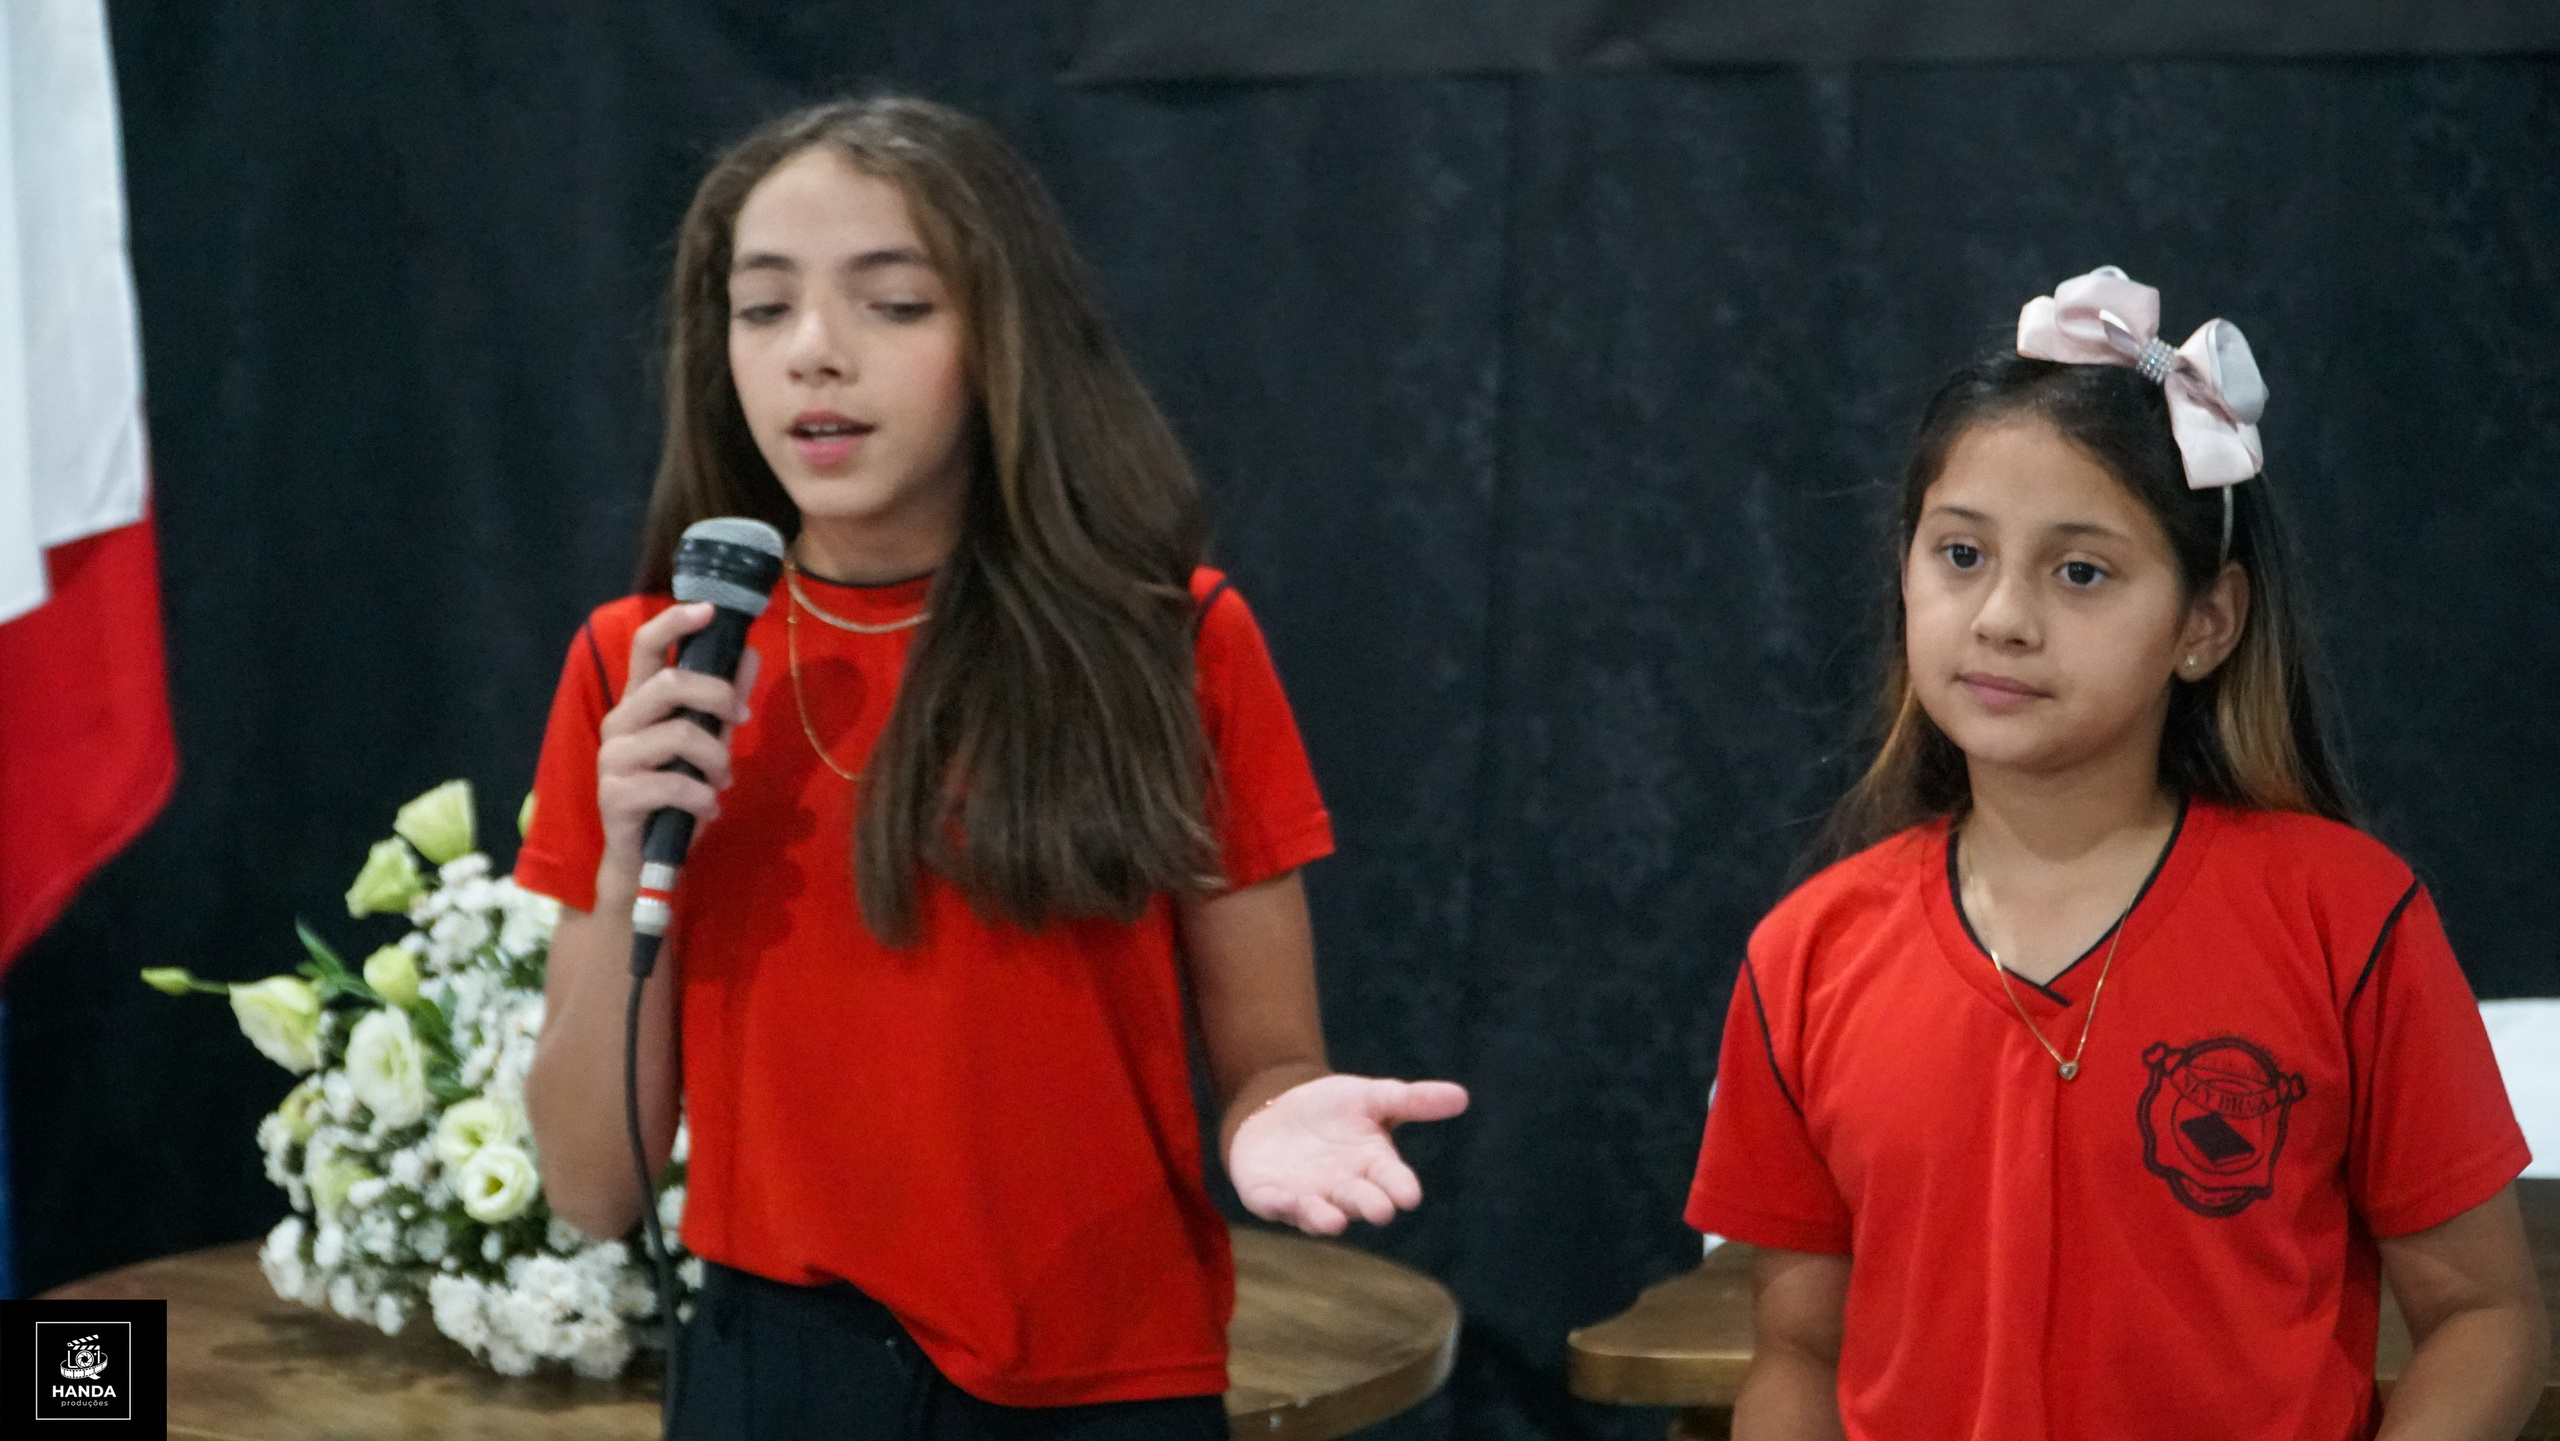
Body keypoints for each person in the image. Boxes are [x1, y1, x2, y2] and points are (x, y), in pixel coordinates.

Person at [518, 95, 1467, 1440]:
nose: (816, 357)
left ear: (1000, 341)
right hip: (777, 1374)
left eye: (893, 305)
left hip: (1102, 1377)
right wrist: (629, 860)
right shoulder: (650, 664)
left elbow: (1270, 1058)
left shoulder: (1174, 642)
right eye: (764, 307)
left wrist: (1274, 1123)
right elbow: (591, 1186)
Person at [1687, 267, 2547, 1440]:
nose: (2001, 617)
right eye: (1959, 554)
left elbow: (2484, 1317)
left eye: (2079, 571)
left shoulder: (2344, 916)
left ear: (2206, 622)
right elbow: (1796, 1349)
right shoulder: (1805, 953)